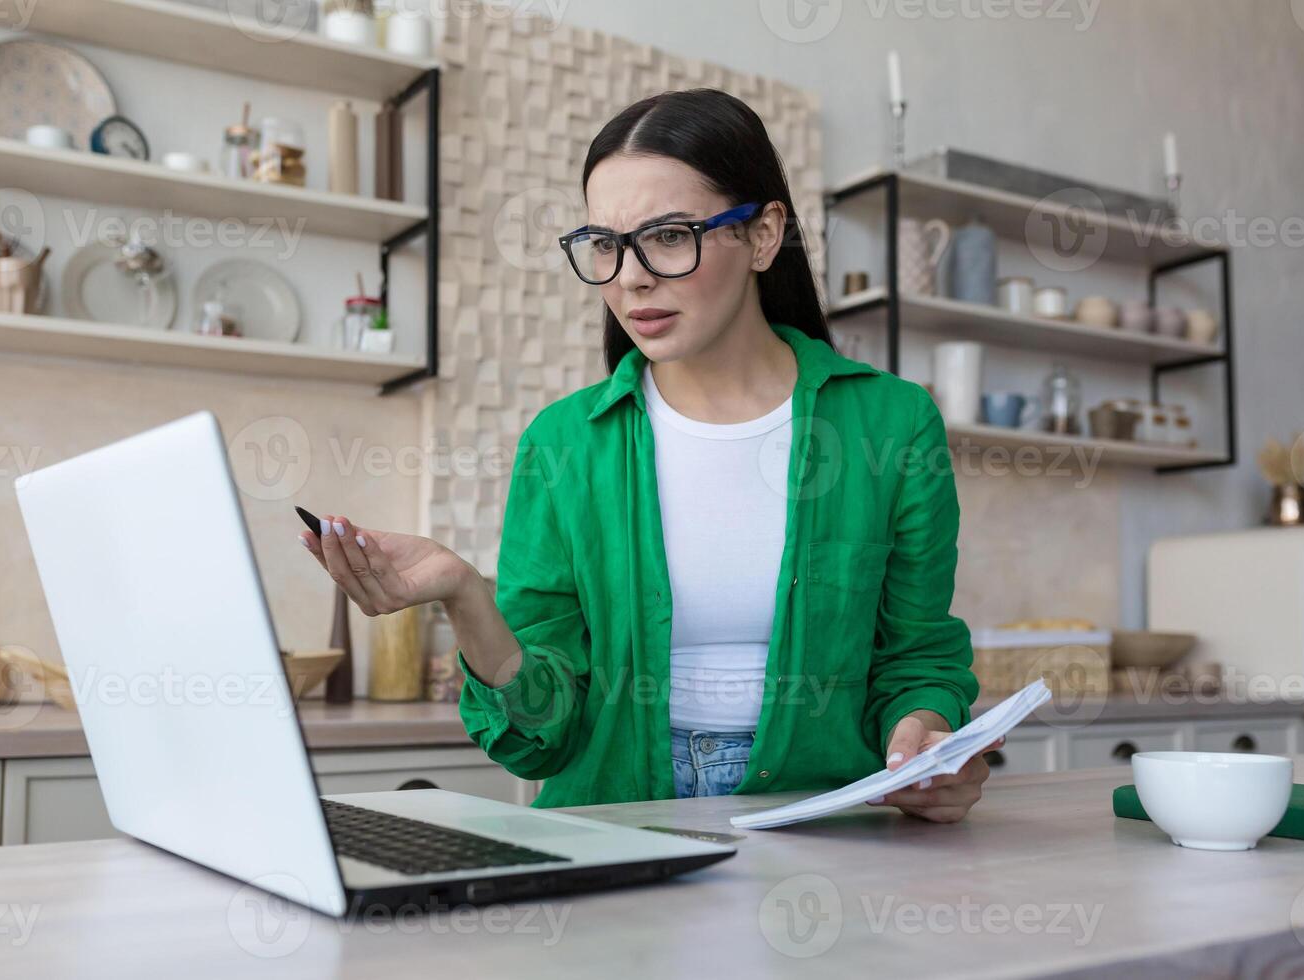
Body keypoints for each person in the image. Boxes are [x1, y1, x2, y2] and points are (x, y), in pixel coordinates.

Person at [301, 88, 998, 820]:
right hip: (614, 829)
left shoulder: (891, 425)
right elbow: (542, 739)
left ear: (764, 236)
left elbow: (915, 659)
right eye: (604, 244)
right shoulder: (564, 444)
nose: (630, 277)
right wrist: (465, 594)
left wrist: (924, 740)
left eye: (668, 235)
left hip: (824, 837)